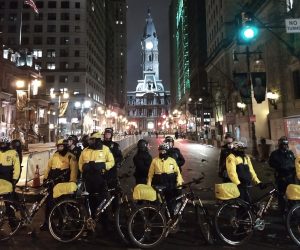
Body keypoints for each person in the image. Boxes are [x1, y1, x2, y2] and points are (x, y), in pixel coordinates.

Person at [40, 139, 78, 231]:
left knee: (62, 204)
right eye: (58, 146)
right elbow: (48, 167)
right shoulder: (55, 155)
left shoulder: (71, 157)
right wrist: (45, 178)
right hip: (52, 181)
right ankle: (47, 223)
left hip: (63, 182)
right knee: (49, 203)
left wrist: (72, 181)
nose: (59, 148)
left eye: (61, 146)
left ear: (65, 146)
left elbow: (74, 171)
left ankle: (62, 223)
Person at [79, 132, 114, 226]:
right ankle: (92, 221)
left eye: (92, 140)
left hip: (100, 179)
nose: (90, 141)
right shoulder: (85, 150)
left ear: (98, 140)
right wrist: (83, 168)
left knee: (103, 200)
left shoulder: (105, 149)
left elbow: (112, 162)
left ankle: (105, 222)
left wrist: (103, 165)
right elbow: (80, 163)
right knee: (90, 200)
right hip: (88, 179)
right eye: (90, 140)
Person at [147, 143, 183, 215]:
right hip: (158, 182)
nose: (162, 152)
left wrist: (179, 181)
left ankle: (169, 217)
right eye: (160, 151)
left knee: (170, 201)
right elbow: (150, 173)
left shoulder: (172, 160)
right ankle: (153, 217)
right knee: (156, 201)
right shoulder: (155, 160)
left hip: (170, 182)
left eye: (164, 151)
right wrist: (149, 183)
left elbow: (177, 172)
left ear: (167, 151)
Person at [269, 136, 296, 214]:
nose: (284, 146)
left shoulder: (290, 153)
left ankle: (292, 210)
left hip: (291, 177)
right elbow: (271, 163)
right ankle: (282, 210)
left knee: (292, 193)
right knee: (281, 194)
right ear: (280, 144)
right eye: (283, 144)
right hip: (281, 177)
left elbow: (294, 162)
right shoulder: (275, 154)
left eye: (286, 144)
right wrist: (280, 167)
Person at [102, 128, 123, 212]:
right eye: (106, 134)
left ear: (111, 135)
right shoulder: (100, 144)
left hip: (112, 172)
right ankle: (104, 211)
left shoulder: (115, 145)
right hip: (102, 171)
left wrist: (115, 163)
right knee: (102, 192)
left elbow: (120, 157)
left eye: (109, 134)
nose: (107, 135)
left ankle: (115, 211)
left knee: (114, 192)